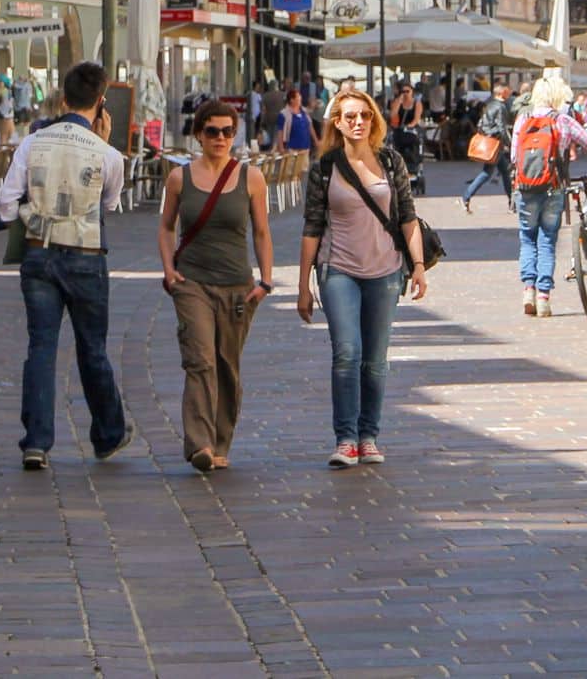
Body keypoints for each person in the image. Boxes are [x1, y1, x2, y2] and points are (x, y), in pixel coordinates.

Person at [0, 60, 133, 471]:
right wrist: (104, 144)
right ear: (101, 102)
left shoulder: (32, 142)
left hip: (39, 252)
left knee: (41, 347)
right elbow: (108, 204)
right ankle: (108, 435)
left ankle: (36, 441)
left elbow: (4, 205)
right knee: (93, 349)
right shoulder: (108, 154)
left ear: (63, 98)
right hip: (87, 256)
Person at [297, 87, 430, 469]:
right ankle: (345, 438)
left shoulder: (391, 161)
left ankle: (369, 435)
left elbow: (407, 215)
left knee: (375, 359)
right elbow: (312, 225)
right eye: (350, 116)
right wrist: (304, 284)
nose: (358, 121)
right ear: (336, 122)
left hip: (386, 270)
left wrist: (418, 266)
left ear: (374, 119)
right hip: (338, 268)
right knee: (347, 353)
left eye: (365, 115)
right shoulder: (326, 167)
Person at [158, 100, 273, 473]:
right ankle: (200, 444)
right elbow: (166, 227)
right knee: (200, 359)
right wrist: (169, 270)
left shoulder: (250, 178)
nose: (220, 138)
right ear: (199, 135)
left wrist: (266, 281)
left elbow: (261, 232)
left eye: (227, 131)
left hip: (237, 285)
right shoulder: (180, 179)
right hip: (192, 283)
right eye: (212, 131)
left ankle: (221, 442)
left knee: (227, 365)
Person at [508, 72, 587, 318]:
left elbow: (515, 158)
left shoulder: (522, 119)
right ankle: (544, 297)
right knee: (547, 240)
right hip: (553, 186)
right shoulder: (563, 121)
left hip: (525, 189)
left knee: (528, 238)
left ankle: (528, 290)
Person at [459, 83, 515, 215]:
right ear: (501, 93)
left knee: (504, 172)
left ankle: (512, 202)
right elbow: (501, 128)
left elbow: (481, 124)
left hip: (493, 144)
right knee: (487, 173)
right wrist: (510, 144)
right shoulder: (500, 107)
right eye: (507, 90)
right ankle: (466, 197)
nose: (510, 92)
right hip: (496, 144)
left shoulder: (489, 104)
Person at [277, 88, 315, 176]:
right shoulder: (284, 114)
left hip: (305, 148)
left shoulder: (304, 112)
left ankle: (302, 189)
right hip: (291, 148)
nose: (300, 99)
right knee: (290, 173)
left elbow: (310, 126)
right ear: (292, 100)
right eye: (298, 97)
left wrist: (316, 140)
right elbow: (280, 131)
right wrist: (281, 147)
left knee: (303, 172)